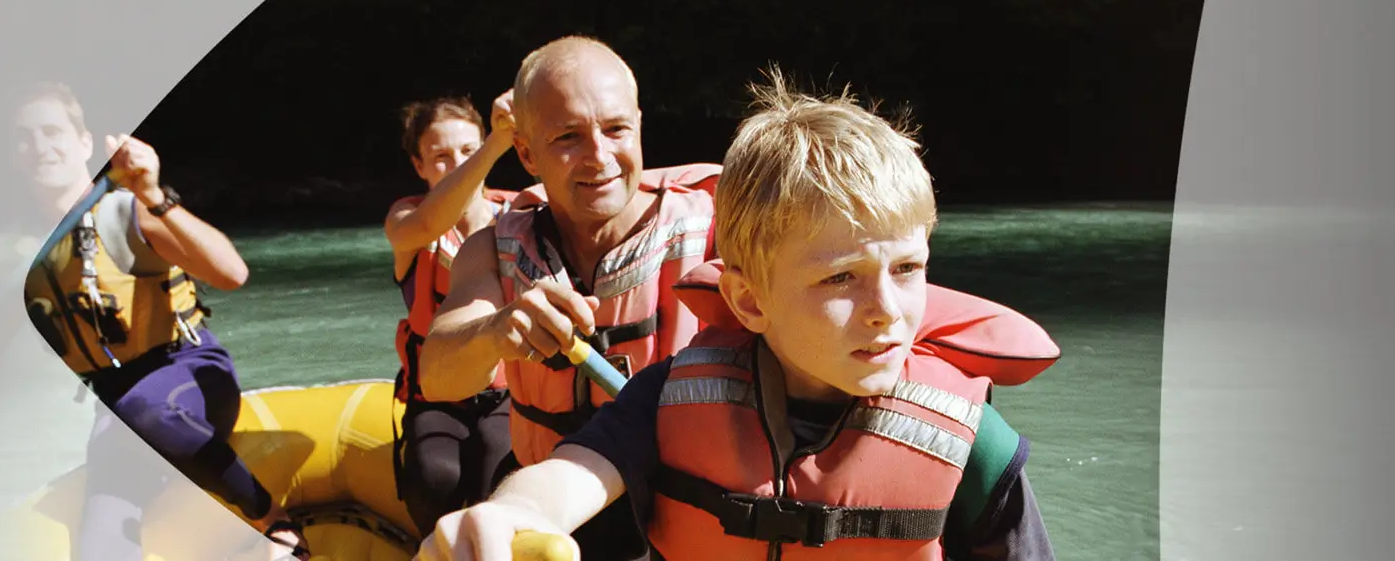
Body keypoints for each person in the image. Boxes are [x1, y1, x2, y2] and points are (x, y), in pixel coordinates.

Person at [415, 69, 1063, 561]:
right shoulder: (666, 399)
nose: (886, 312)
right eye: (841, 278)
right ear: (750, 301)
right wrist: (512, 513)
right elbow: (570, 476)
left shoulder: (972, 444)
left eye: (906, 268)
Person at [415, 36, 719, 561]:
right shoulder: (492, 248)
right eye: (568, 137)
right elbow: (439, 377)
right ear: (527, 153)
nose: (599, 156)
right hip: (552, 505)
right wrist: (494, 330)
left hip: (685, 503)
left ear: (639, 126)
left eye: (616, 129)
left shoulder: (717, 230)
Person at [13, 82, 311, 560]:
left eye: (52, 132)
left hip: (189, 375)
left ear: (85, 144)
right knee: (99, 547)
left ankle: (270, 517)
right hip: (115, 407)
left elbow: (232, 273)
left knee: (143, 409)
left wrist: (153, 194)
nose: (40, 146)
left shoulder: (127, 212)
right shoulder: (23, 252)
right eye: (24, 138)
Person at [383, 92, 528, 538]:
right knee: (435, 477)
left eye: (468, 150)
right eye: (440, 157)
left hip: (507, 392)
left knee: (497, 469)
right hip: (435, 393)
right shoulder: (407, 219)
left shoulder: (520, 213)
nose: (458, 164)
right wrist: (496, 144)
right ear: (419, 166)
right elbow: (428, 225)